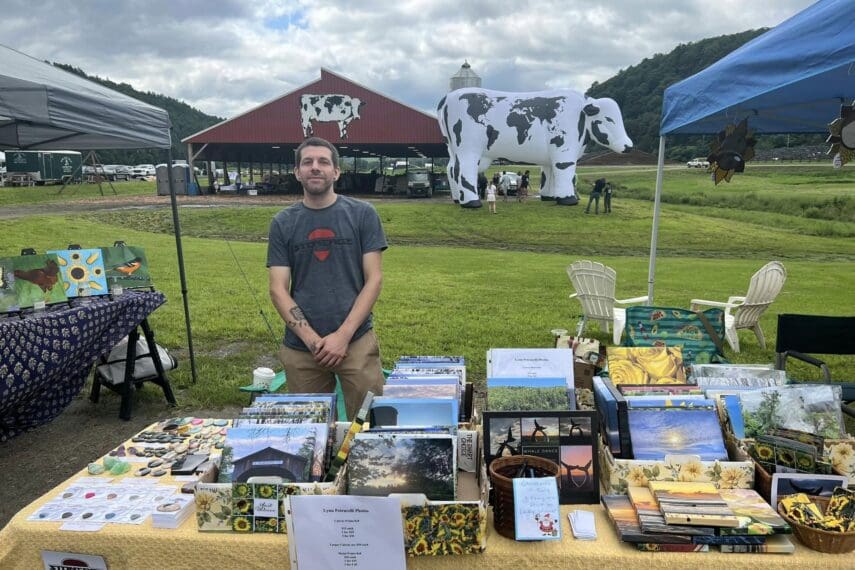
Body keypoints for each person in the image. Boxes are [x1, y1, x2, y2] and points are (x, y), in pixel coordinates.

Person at [267, 137, 388, 419]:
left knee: (372, 426)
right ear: (297, 172)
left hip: (356, 340)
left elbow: (374, 280)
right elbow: (277, 289)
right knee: (311, 435)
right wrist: (312, 340)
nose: (315, 167)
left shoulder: (362, 214)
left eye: (323, 161)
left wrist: (343, 336)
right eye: (307, 162)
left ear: (336, 171)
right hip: (302, 348)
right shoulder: (283, 222)